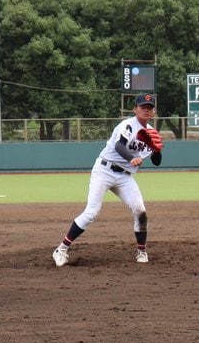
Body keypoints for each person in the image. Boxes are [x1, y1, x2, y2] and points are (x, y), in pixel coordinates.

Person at [52, 94, 163, 267]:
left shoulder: (152, 133)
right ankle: (61, 249)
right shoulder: (127, 125)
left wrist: (156, 150)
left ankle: (142, 252)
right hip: (104, 170)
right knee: (91, 212)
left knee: (140, 210)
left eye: (149, 107)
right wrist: (130, 158)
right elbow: (120, 145)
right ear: (135, 109)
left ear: (154, 111)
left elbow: (156, 162)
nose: (146, 110)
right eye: (143, 107)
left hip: (125, 176)